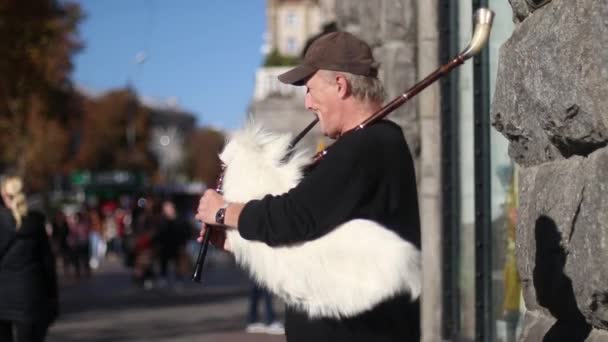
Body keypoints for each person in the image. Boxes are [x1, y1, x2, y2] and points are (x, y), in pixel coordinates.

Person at [196, 31, 421, 341]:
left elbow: (293, 216)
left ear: (340, 86)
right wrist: (237, 243)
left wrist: (223, 212)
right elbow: (314, 248)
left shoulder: (365, 147)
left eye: (311, 90)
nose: (308, 103)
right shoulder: (373, 143)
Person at [0, 176, 58, 342]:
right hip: (31, 297)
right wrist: (52, 301)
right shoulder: (36, 223)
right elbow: (48, 264)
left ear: (5, 195)